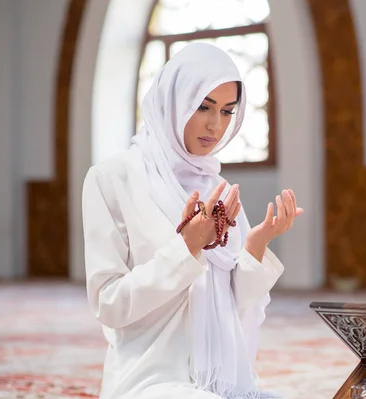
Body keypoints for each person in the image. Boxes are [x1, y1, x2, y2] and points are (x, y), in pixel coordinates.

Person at [81, 43, 302, 399]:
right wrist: (187, 247)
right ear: (174, 100)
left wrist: (256, 245)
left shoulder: (218, 190)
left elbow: (237, 306)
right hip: (151, 378)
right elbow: (110, 304)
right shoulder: (112, 178)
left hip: (220, 380)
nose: (215, 126)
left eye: (228, 112)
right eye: (203, 107)